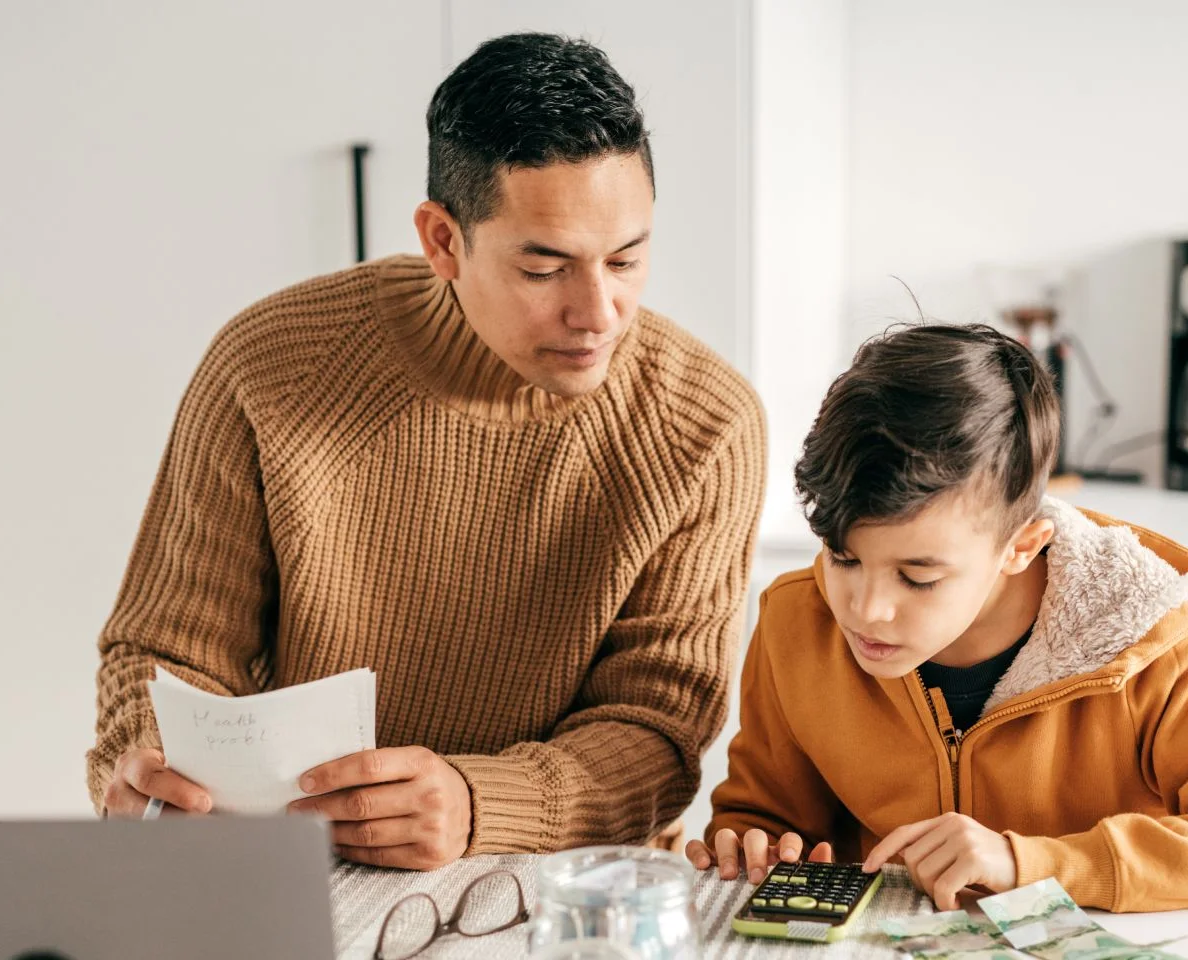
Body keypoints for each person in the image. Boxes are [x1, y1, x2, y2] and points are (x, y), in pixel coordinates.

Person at [87, 33, 766, 870]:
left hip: (569, 890)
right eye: (546, 267)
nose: (600, 312)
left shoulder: (706, 422)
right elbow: (168, 653)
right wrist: (151, 767)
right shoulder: (272, 364)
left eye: (627, 258)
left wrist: (480, 806)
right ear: (442, 239)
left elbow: (658, 733)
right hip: (295, 873)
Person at [687, 324, 1188, 912]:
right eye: (843, 557)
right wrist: (751, 846)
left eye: (918, 577)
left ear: (1021, 546)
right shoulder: (795, 622)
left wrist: (1035, 865)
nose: (865, 609)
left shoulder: (1146, 647)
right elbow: (764, 814)